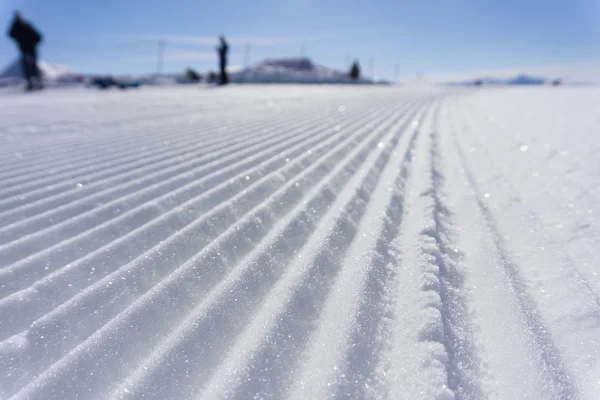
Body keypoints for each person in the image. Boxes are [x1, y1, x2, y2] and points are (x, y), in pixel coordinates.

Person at [7, 11, 43, 91]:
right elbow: (10, 34)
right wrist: (20, 39)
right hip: (25, 49)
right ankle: (31, 83)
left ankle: (38, 83)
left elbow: (38, 36)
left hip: (31, 49)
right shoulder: (16, 26)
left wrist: (33, 43)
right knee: (27, 66)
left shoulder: (26, 25)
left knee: (32, 66)